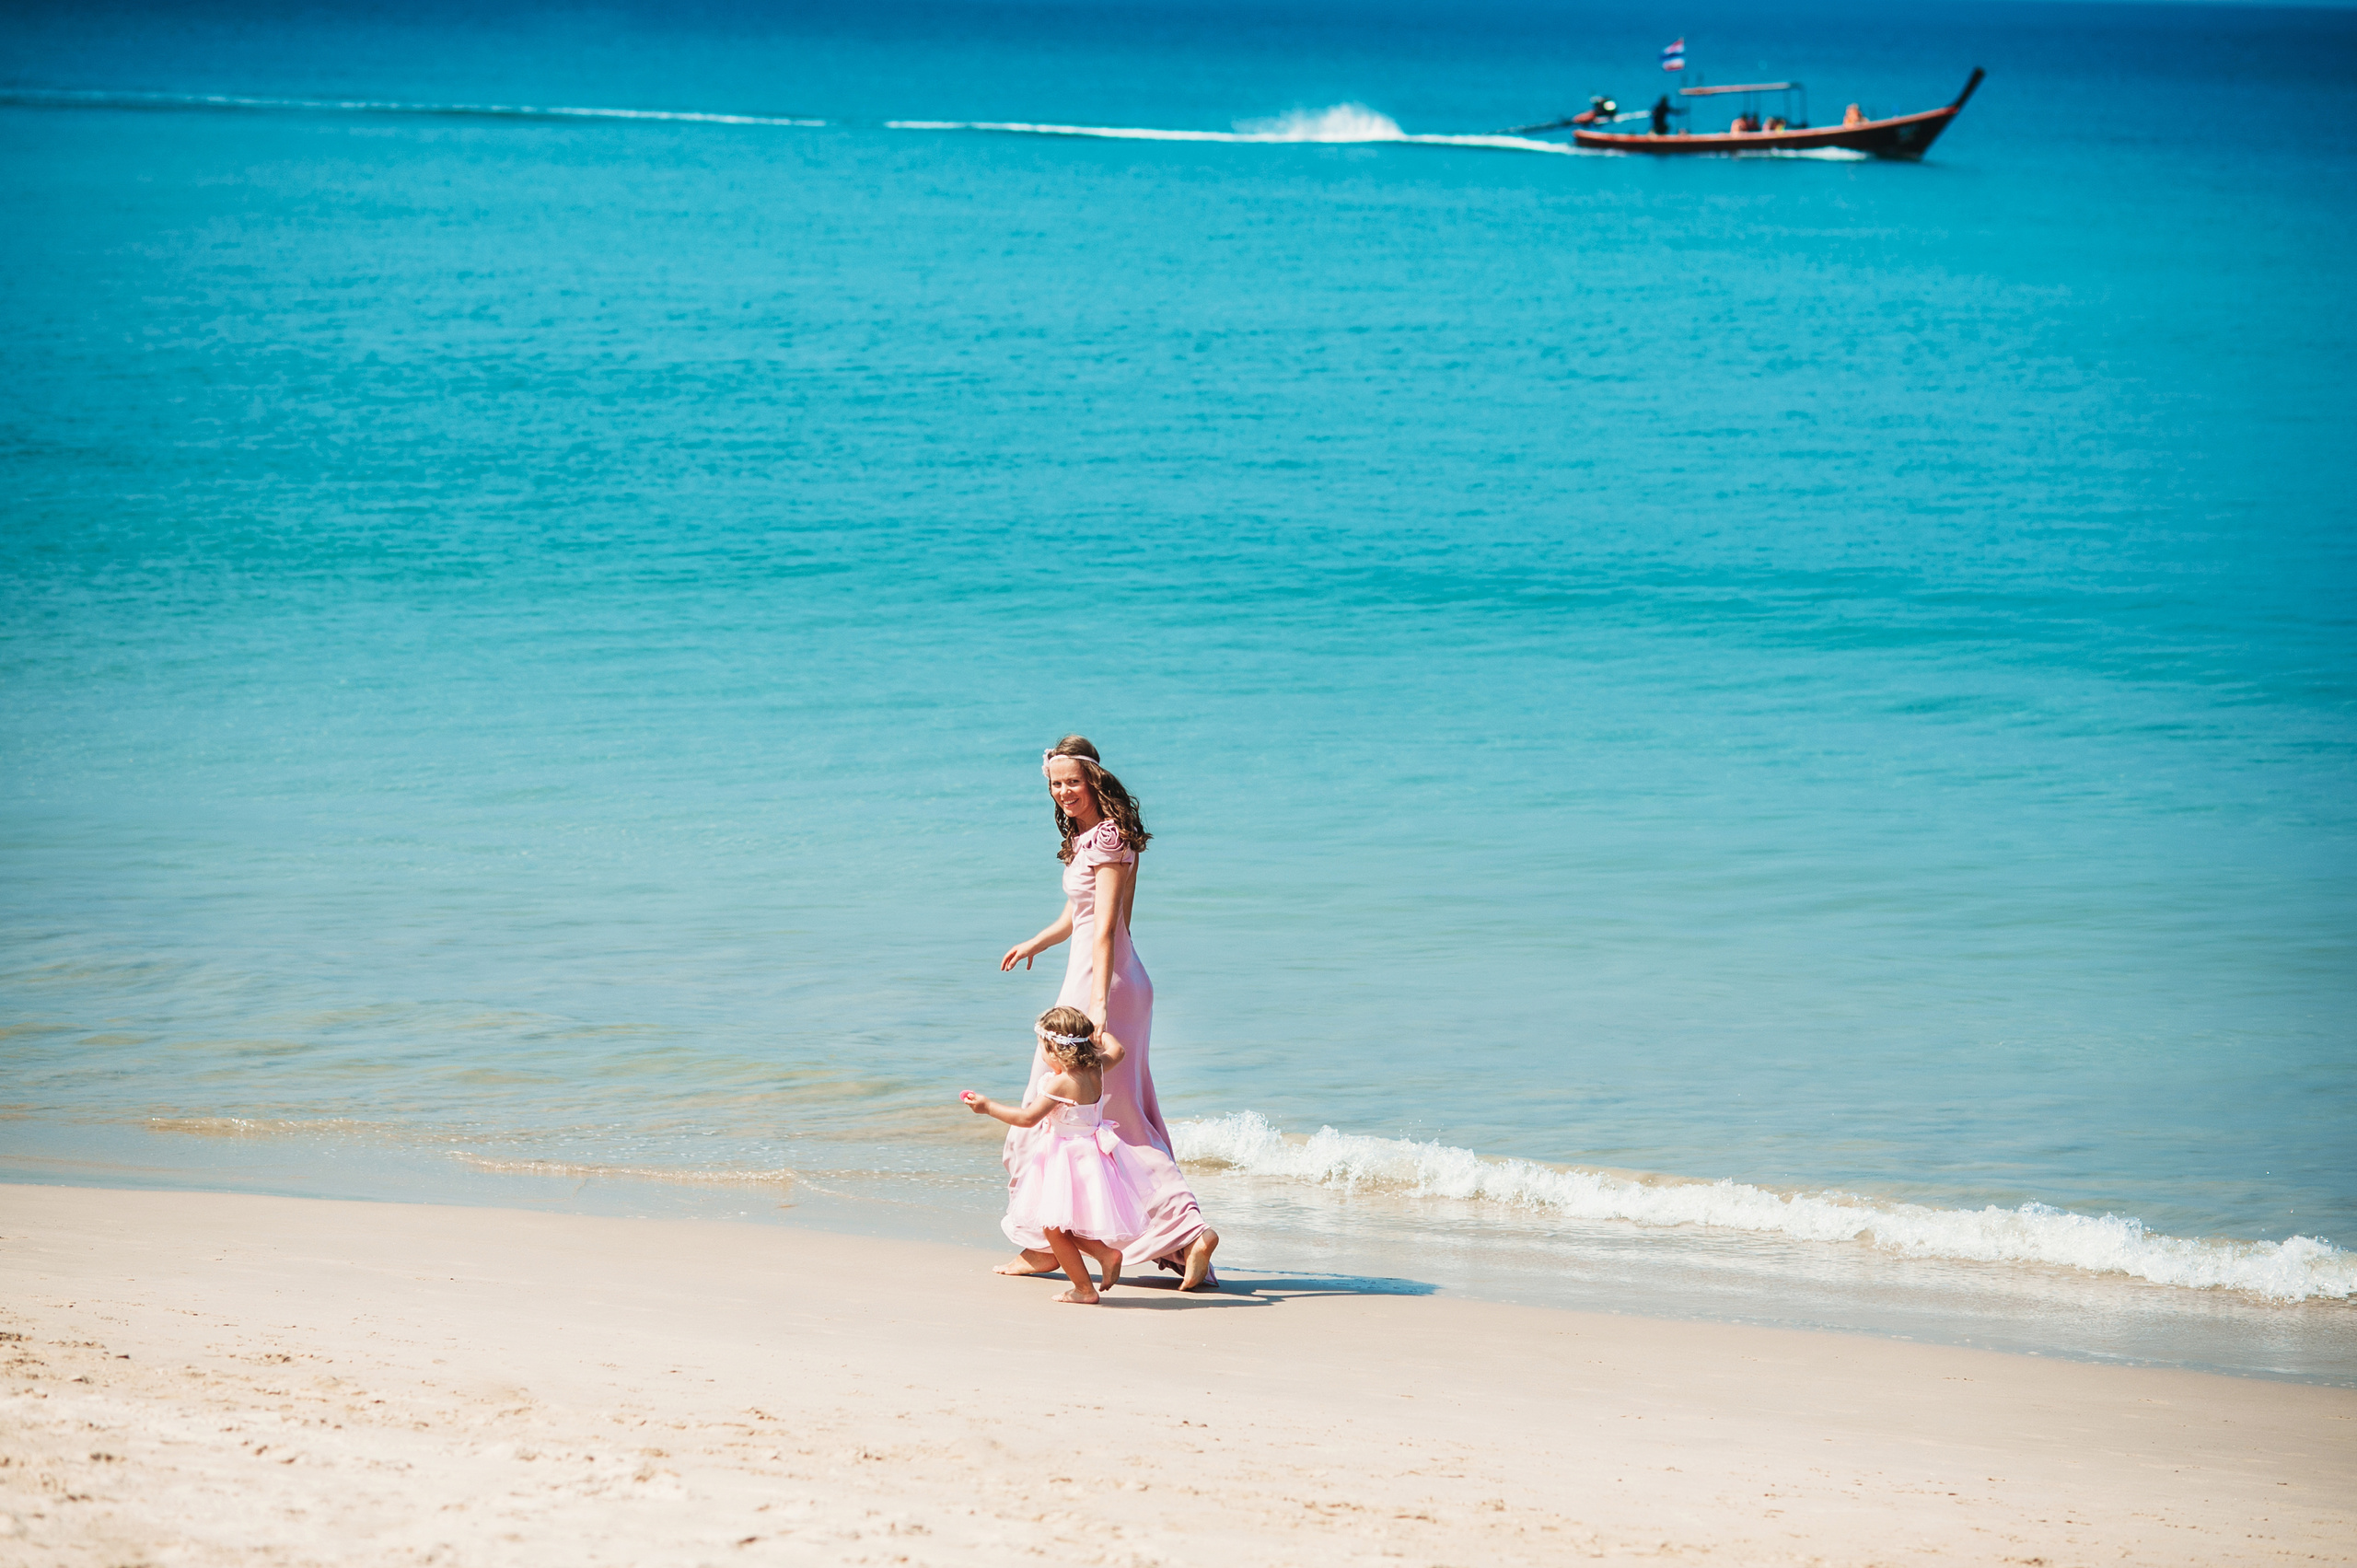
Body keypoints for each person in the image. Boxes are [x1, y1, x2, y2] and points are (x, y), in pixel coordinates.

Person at [999, 737, 1220, 1289]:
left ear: (1095, 780)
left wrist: (1096, 1004)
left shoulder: (1110, 839)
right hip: (1104, 979)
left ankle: (1179, 1234)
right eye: (1054, 783)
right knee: (1105, 1118)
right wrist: (1035, 943)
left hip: (1104, 987)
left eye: (1072, 780)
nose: (1062, 791)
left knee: (1094, 1117)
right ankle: (1169, 1244)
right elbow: (1079, 918)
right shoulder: (1089, 839)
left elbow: (1104, 930)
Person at [962, 1006, 1152, 1305]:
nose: (1042, 1055)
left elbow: (1027, 1118)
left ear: (1056, 1049)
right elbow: (1119, 1050)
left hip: (1066, 1157)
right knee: (1062, 1224)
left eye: (1042, 1048)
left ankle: (1084, 1289)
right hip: (1093, 1156)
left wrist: (987, 1107)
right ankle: (1105, 1253)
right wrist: (1098, 1033)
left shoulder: (1061, 1082)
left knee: (1054, 1229)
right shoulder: (1097, 1067)